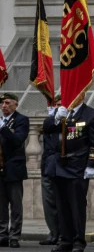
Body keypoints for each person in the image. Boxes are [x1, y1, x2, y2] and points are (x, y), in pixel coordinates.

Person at [44, 99, 94, 252]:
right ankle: (65, 240)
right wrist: (56, 117)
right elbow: (46, 129)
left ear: (81, 95)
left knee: (77, 206)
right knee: (62, 206)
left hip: (78, 166)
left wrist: (91, 164)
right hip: (59, 165)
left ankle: (78, 241)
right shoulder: (62, 112)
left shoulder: (91, 115)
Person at [0, 93, 28, 248]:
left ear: (15, 104)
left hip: (13, 168)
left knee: (16, 205)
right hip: (0, 168)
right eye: (2, 103)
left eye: (7, 102)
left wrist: (3, 129)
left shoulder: (21, 120)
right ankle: (2, 234)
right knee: (1, 205)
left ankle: (14, 235)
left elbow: (17, 140)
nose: (4, 105)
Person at [40, 95, 61, 247]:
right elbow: (47, 126)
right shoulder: (51, 120)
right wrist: (54, 115)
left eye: (62, 104)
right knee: (49, 204)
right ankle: (53, 232)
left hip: (66, 168)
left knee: (64, 204)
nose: (59, 107)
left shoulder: (71, 119)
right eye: (56, 105)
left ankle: (66, 234)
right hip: (48, 168)